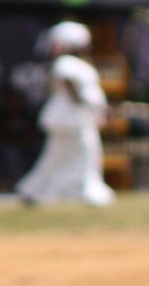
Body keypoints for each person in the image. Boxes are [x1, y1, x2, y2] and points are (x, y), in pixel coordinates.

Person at [17, 21, 114, 206]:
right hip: (71, 118)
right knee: (85, 153)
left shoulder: (75, 63)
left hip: (74, 118)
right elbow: (73, 88)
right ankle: (88, 190)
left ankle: (33, 191)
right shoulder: (66, 63)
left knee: (56, 156)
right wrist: (92, 106)